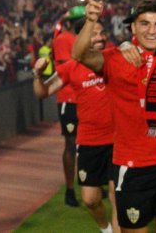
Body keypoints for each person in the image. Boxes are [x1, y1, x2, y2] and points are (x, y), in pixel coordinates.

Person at [73, 0, 156, 233]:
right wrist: (90, 20)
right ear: (133, 28)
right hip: (133, 166)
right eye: (145, 24)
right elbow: (79, 54)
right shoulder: (115, 58)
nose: (152, 30)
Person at [34, 18, 117, 233]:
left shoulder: (115, 57)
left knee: (118, 198)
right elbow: (42, 92)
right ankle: (105, 229)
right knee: (90, 199)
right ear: (81, 39)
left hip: (119, 141)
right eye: (94, 33)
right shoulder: (72, 67)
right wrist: (37, 74)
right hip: (90, 141)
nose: (100, 37)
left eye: (102, 32)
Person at [51, 7, 84, 207]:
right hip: (69, 97)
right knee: (71, 143)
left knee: (88, 143)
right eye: (80, 20)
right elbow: (66, 66)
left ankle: (89, 180)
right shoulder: (64, 39)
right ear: (71, 22)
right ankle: (70, 189)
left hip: (85, 97)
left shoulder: (82, 38)